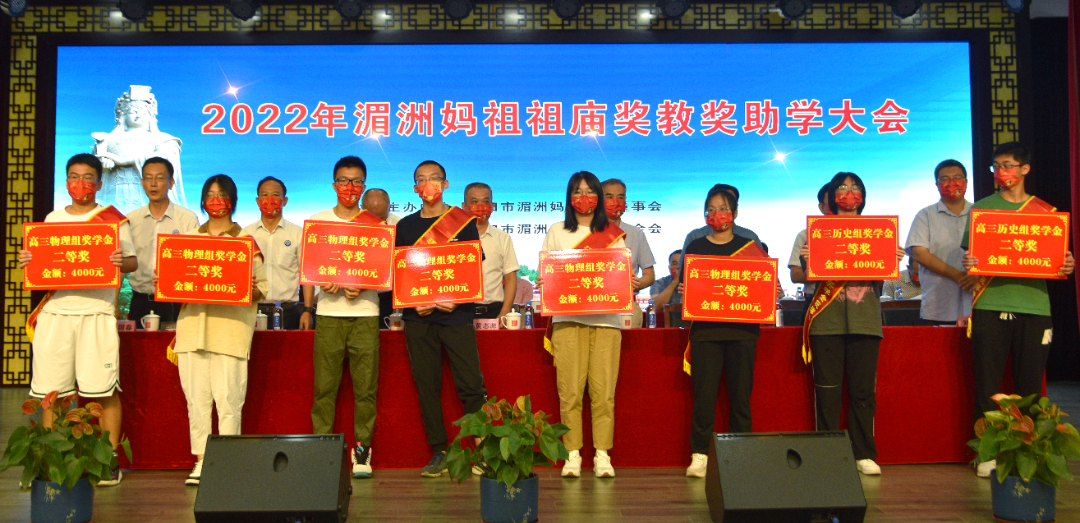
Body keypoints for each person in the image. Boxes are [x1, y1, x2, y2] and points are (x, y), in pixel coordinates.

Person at [19, 153, 137, 486]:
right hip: (56, 314)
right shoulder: (52, 218)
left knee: (104, 391)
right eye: (74, 176)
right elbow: (44, 263)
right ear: (67, 181)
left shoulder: (113, 220)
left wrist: (120, 261)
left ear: (98, 184)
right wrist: (29, 259)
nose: (80, 183)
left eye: (88, 178)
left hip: (96, 313)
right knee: (53, 394)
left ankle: (109, 460)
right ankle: (52, 461)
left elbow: (132, 262)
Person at [961, 142, 1075, 477]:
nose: (1001, 172)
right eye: (996, 166)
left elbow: (1056, 259)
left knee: (1029, 389)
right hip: (991, 304)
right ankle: (986, 453)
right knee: (987, 386)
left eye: (1008, 165)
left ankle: (1028, 454)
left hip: (1034, 307)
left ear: (1025, 169)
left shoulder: (1045, 213)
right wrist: (969, 261)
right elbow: (972, 256)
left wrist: (1066, 264)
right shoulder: (983, 209)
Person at [800, 172, 906, 477]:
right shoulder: (818, 232)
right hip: (826, 322)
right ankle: (827, 452)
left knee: (862, 392)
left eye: (855, 187)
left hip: (865, 320)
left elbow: (880, 279)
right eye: (843, 188)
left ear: (863, 195)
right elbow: (809, 277)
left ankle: (863, 453)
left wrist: (892, 258)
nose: (849, 193)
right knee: (827, 391)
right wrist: (808, 259)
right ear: (832, 196)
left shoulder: (878, 232)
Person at [172, 174, 268, 486]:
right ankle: (202, 460)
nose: (216, 201)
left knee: (229, 400)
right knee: (196, 401)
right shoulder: (187, 241)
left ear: (233, 201)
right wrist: (166, 281)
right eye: (210, 195)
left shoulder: (245, 243)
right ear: (202, 201)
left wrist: (249, 288)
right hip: (192, 330)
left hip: (230, 332)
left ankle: (227, 461)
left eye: (222, 195)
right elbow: (174, 286)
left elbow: (262, 289)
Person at [395, 160, 488, 477]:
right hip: (418, 319)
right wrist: (412, 302)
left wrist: (458, 298)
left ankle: (482, 451)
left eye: (435, 178)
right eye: (421, 179)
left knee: (471, 385)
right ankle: (439, 451)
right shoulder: (405, 226)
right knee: (427, 385)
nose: (429, 184)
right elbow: (400, 271)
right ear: (415, 188)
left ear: (446, 184)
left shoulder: (463, 222)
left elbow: (473, 268)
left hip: (457, 315)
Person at [539, 170, 626, 478]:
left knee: (603, 394)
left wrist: (626, 282)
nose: (584, 197)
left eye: (590, 191)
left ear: (599, 197)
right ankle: (572, 454)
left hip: (606, 323)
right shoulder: (557, 231)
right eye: (577, 191)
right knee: (571, 393)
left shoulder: (614, 234)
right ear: (569, 197)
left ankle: (602, 454)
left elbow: (619, 275)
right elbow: (547, 272)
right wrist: (545, 281)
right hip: (567, 321)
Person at [302, 156, 383, 478]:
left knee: (366, 389)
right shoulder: (318, 222)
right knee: (324, 386)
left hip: (366, 314)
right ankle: (322, 448)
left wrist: (363, 284)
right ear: (334, 184)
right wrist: (315, 294)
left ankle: (362, 451)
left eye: (356, 181)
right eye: (344, 181)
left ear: (364, 186)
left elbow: (385, 276)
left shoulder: (375, 225)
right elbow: (309, 271)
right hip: (329, 314)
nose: (350, 187)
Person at [682, 186, 763, 478]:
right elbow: (685, 286)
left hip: (742, 333)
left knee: (740, 398)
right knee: (704, 397)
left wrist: (772, 290)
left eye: (724, 209)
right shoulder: (696, 246)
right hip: (706, 333)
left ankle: (740, 453)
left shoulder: (750, 245)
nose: (718, 215)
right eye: (712, 210)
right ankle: (700, 454)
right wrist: (686, 290)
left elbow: (762, 284)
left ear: (735, 213)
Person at [127, 156, 199, 325]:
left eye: (160, 178)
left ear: (171, 183)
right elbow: (123, 263)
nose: (153, 184)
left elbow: (196, 263)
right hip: (140, 300)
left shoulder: (187, 219)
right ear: (142, 183)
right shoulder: (131, 220)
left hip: (177, 301)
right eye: (148, 178)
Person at [905, 159, 976, 325]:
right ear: (937, 184)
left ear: (966, 182)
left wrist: (978, 276)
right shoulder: (925, 215)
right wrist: (957, 275)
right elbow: (919, 253)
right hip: (939, 304)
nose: (952, 183)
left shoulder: (979, 213)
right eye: (945, 179)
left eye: (957, 178)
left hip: (976, 301)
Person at [92, 85, 185, 212]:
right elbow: (94, 166)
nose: (138, 116)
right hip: (114, 195)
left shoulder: (162, 139)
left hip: (146, 194)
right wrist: (103, 164)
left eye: (144, 113)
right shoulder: (108, 139)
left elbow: (168, 156)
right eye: (133, 112)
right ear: (123, 115)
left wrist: (125, 161)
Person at [243, 176, 306, 330]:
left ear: (285, 200)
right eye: (264, 195)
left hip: (288, 311)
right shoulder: (245, 235)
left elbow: (306, 275)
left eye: (276, 195)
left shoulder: (298, 234)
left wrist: (308, 310)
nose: (270, 200)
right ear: (258, 201)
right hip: (253, 310)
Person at [602, 178, 656, 327]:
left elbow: (650, 276)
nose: (615, 202)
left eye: (620, 197)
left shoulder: (636, 233)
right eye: (609, 196)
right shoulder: (587, 233)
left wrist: (635, 284)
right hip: (596, 307)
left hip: (627, 306)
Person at [464, 182, 520, 322]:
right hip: (461, 314)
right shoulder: (454, 237)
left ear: (493, 206)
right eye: (474, 202)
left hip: (494, 312)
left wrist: (504, 312)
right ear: (464, 206)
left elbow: (510, 278)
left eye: (485, 202)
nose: (480, 207)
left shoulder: (503, 238)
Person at [787, 183, 832, 324]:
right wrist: (815, 273)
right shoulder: (806, 235)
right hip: (817, 300)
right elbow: (795, 275)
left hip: (856, 302)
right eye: (831, 202)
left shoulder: (861, 235)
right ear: (821, 207)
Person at [362, 188, 400, 328]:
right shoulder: (351, 225)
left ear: (390, 207)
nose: (377, 222)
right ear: (362, 208)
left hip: (389, 298)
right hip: (359, 296)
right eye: (372, 217)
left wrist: (398, 308)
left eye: (381, 217)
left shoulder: (400, 225)